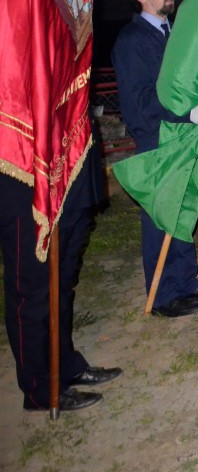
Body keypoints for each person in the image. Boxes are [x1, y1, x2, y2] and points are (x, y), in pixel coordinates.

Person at [112, 0, 198, 317]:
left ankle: (186, 281)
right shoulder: (132, 41)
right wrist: (185, 115)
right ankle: (163, 295)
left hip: (184, 135)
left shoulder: (175, 34)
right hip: (159, 137)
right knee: (161, 214)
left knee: (184, 207)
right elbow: (140, 100)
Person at [2, 144, 123, 412]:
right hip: (24, 170)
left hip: (71, 166)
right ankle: (40, 388)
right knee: (33, 288)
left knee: (63, 279)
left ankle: (64, 365)